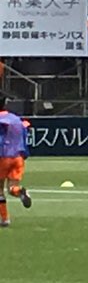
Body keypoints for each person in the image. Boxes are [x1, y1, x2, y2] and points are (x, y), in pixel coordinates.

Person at [0, 97, 30, 229]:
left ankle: (5, 219)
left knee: (0, 190)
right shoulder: (16, 119)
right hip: (18, 157)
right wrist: (25, 153)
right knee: (12, 188)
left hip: (3, 157)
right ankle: (20, 192)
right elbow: (25, 132)